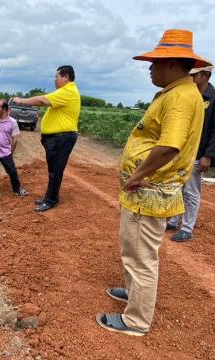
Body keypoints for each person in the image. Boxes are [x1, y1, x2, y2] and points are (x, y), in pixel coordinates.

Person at [96, 29, 209, 336]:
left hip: (150, 191)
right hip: (147, 191)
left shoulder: (181, 98)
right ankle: (134, 294)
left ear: (173, 64)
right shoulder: (179, 93)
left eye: (154, 62)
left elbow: (169, 146)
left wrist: (136, 175)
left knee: (142, 256)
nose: (149, 68)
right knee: (132, 249)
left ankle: (136, 320)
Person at [12, 65, 81, 212]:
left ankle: (51, 200)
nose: (54, 79)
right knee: (53, 169)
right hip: (58, 138)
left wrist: (21, 101)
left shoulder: (68, 92)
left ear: (65, 77)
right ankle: (50, 197)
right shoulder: (65, 92)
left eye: (56, 76)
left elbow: (43, 101)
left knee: (55, 170)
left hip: (62, 138)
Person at [166, 65, 215, 242]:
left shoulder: (212, 98)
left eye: (195, 75)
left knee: (192, 191)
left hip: (198, 153)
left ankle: (187, 228)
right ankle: (173, 220)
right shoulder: (190, 95)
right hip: (182, 151)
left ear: (206, 75)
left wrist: (208, 155)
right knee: (176, 186)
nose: (191, 78)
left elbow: (214, 131)